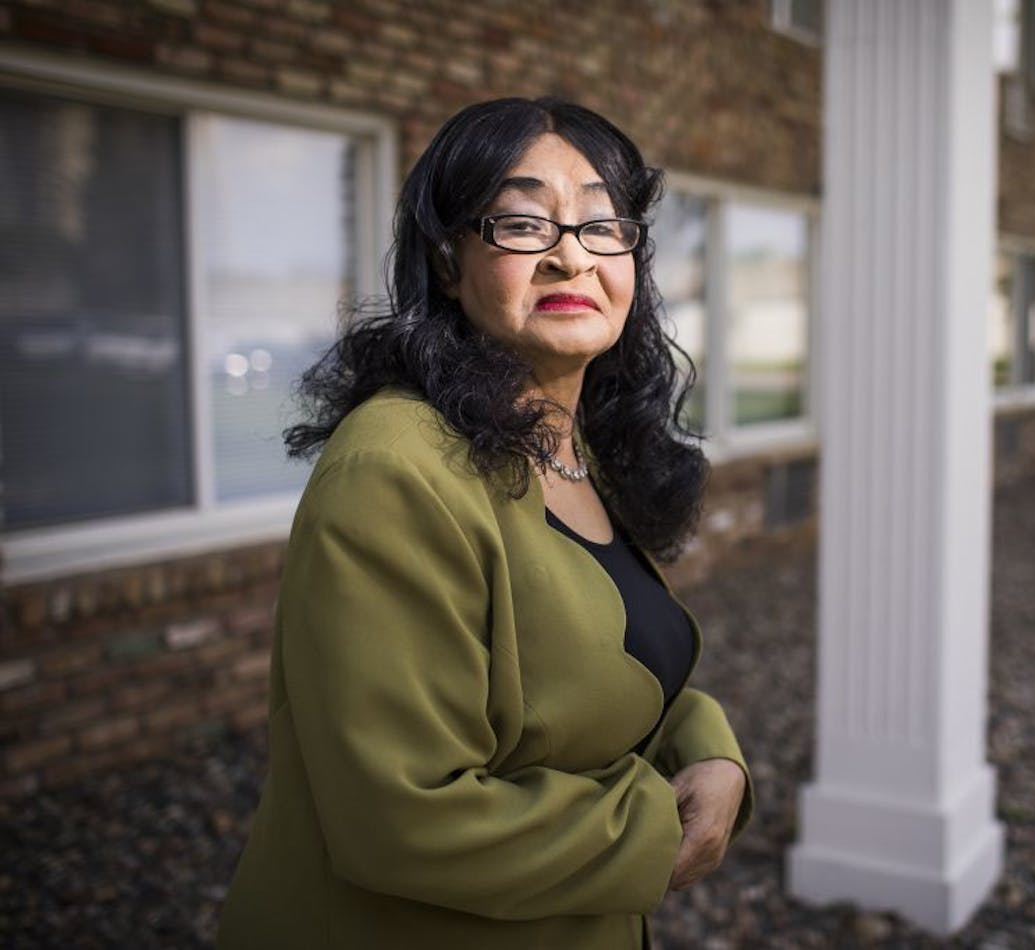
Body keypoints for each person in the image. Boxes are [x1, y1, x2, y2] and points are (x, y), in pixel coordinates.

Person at [217, 97, 752, 950]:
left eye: (603, 225)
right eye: (522, 223)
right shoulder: (393, 468)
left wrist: (711, 752)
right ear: (446, 259)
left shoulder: (578, 445)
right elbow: (401, 818)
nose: (570, 255)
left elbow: (600, 671)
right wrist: (657, 829)